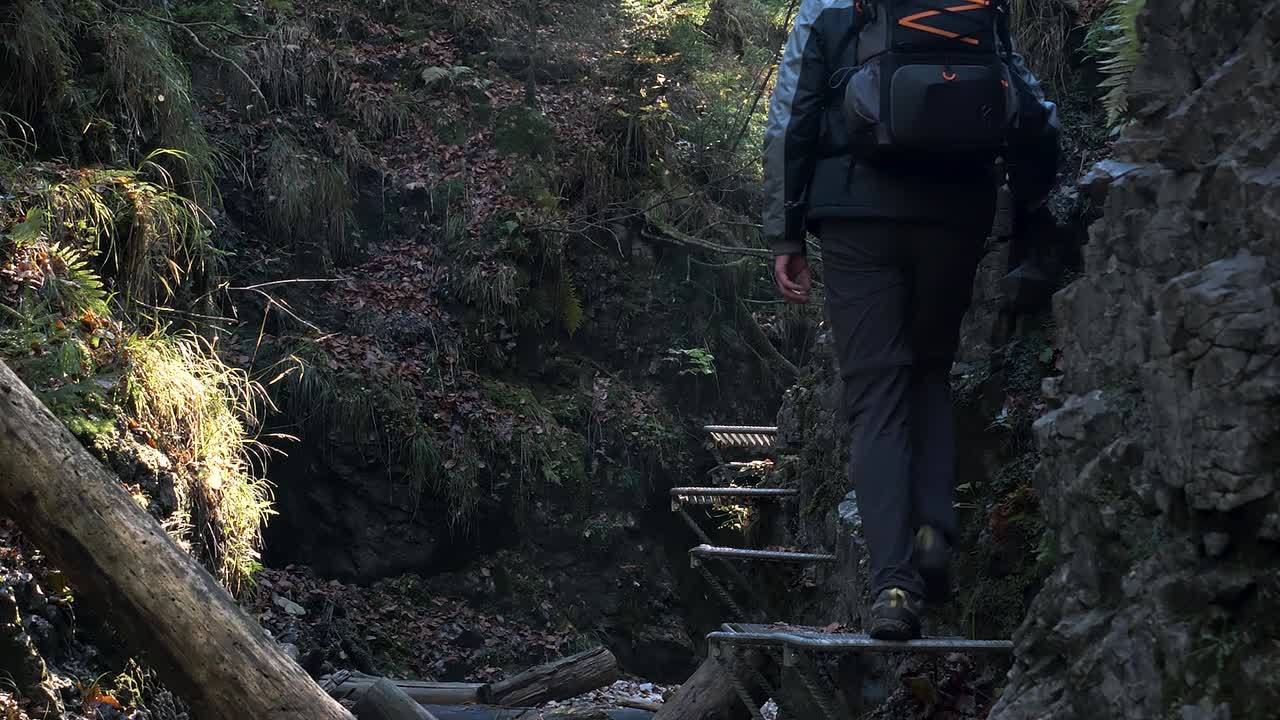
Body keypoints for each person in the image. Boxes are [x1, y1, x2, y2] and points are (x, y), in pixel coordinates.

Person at [762, 0, 1060, 640]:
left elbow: (793, 118)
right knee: (929, 372)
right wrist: (1035, 215)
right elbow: (1029, 108)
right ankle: (932, 527)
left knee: (875, 395)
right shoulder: (976, 6)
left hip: (855, 217)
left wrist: (784, 234)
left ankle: (893, 586)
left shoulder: (830, 9)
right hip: (956, 212)